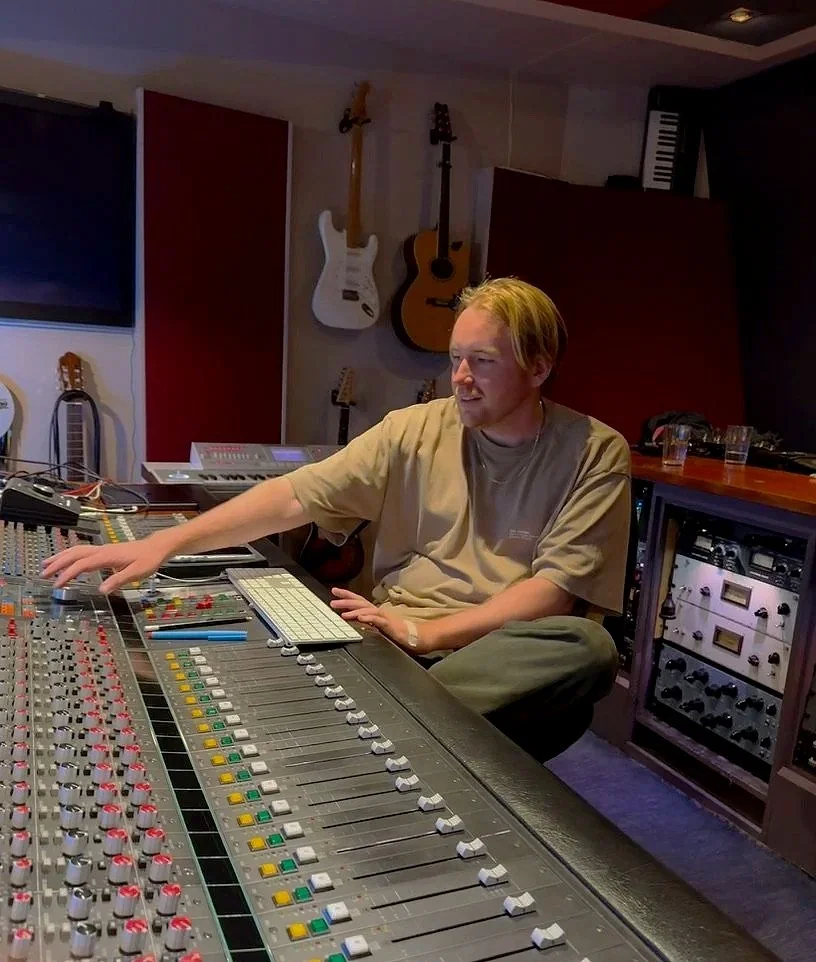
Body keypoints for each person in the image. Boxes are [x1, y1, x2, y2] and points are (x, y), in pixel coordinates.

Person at [44, 277, 630, 730]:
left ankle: (388, 716)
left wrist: (427, 635)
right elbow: (294, 494)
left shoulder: (596, 452)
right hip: (391, 633)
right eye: (455, 358)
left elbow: (553, 592)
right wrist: (162, 543)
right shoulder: (413, 429)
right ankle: (407, 721)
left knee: (587, 647)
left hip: (492, 653)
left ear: (539, 366)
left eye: (483, 361)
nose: (459, 377)